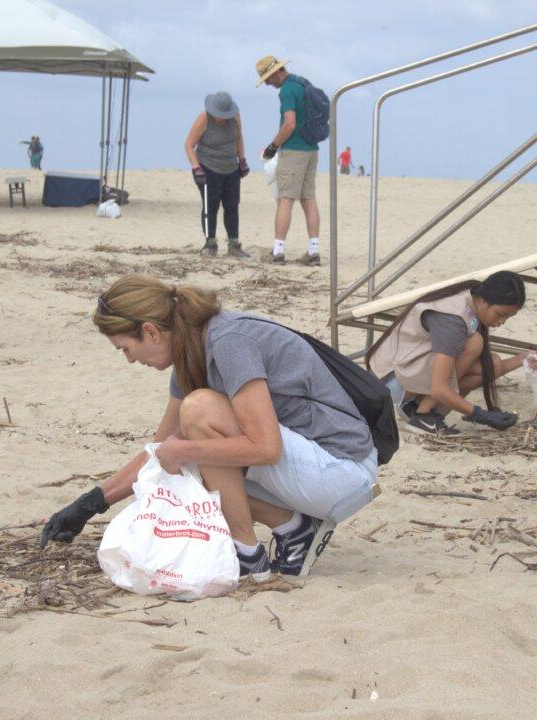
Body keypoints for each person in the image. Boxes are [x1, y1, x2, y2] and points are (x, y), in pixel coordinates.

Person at [40, 275, 379, 580]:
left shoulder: (229, 341)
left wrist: (185, 449)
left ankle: (248, 556)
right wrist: (89, 504)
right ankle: (293, 527)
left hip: (342, 471)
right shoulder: (191, 350)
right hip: (312, 470)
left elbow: (266, 448)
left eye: (125, 349)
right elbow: (158, 454)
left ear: (151, 332)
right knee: (182, 460)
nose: (129, 360)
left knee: (198, 418)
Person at [366, 271, 536, 435]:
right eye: (501, 314)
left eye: (508, 317)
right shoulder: (453, 318)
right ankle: (424, 415)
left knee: (493, 364)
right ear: (484, 300)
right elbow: (439, 388)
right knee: (475, 343)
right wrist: (481, 415)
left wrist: (522, 359)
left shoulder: (469, 298)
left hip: (405, 377)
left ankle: (421, 409)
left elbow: (489, 369)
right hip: (389, 385)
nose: (502, 322)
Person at [255, 55, 322, 266]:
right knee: (308, 199)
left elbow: (289, 124)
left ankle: (278, 251)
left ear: (276, 72)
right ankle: (313, 251)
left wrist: (272, 147)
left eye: (267, 78)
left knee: (285, 199)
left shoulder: (287, 90)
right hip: (312, 149)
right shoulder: (303, 83)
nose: (267, 83)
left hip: (294, 150)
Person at [184, 91, 249, 258]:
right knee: (211, 206)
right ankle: (210, 243)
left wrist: (242, 160)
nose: (222, 118)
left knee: (232, 206)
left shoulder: (235, 117)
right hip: (207, 167)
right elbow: (189, 145)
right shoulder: (204, 118)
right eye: (219, 115)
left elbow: (238, 138)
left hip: (231, 168)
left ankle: (234, 244)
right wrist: (196, 167)